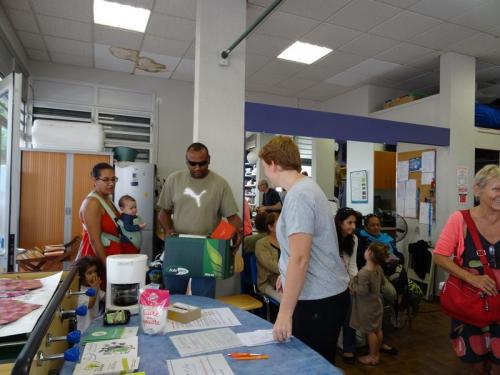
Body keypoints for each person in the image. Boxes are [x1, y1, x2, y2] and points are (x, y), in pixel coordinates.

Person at [259, 135, 349, 365]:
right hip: (323, 294)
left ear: (273, 164)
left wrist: (284, 313)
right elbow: (303, 248)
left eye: (264, 166)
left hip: (318, 299)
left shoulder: (299, 196)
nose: (265, 172)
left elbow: (300, 258)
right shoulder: (305, 189)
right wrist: (285, 273)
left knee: (311, 367)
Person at [434, 164, 500, 374]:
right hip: (470, 303)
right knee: (475, 361)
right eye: (496, 189)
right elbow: (439, 256)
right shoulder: (460, 220)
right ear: (477, 190)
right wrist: (473, 278)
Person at [157, 142, 242, 298]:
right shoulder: (174, 180)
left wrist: (223, 241)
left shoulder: (220, 184)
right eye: (192, 163)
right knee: (174, 298)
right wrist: (169, 231)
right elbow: (163, 213)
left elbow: (234, 220)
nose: (197, 168)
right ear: (186, 161)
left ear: (209, 160)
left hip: (207, 249)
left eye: (202, 163)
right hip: (179, 246)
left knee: (204, 301)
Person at [350, 242, 390, 366]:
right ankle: (376, 354)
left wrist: (352, 286)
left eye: (367, 249)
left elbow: (362, 291)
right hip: (377, 304)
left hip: (367, 307)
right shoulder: (379, 268)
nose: (365, 250)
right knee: (377, 329)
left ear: (370, 253)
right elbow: (383, 283)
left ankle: (372, 356)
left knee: (370, 332)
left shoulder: (364, 273)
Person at [79, 163, 125, 266]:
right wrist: (107, 267)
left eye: (113, 179)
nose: (111, 183)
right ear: (95, 180)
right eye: (106, 180)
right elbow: (94, 241)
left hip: (114, 257)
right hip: (100, 261)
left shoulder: (107, 199)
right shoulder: (92, 203)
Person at [334, 207, 359, 364]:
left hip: (346, 282)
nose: (353, 226)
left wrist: (353, 282)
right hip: (330, 282)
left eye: (354, 222)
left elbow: (353, 264)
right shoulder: (330, 238)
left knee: (350, 313)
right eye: (349, 222)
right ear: (340, 222)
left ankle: (349, 348)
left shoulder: (354, 239)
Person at [255, 212, 282, 302]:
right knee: (287, 301)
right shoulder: (261, 244)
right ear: (270, 227)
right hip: (268, 283)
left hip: (286, 279)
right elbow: (272, 265)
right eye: (280, 223)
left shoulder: (285, 242)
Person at [75, 256, 105, 332]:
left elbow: (104, 296)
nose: (94, 275)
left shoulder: (94, 287)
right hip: (84, 330)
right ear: (81, 276)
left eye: (95, 272)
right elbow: (90, 304)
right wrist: (95, 288)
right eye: (89, 273)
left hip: (94, 327)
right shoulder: (79, 292)